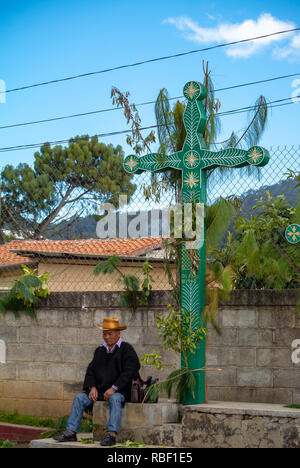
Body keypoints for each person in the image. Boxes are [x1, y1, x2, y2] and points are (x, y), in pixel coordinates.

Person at [54, 317, 140, 446]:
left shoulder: (127, 349)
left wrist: (114, 388)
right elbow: (91, 370)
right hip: (100, 390)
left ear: (118, 334)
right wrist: (92, 387)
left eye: (110, 334)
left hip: (120, 390)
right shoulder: (99, 350)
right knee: (79, 398)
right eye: (104, 334)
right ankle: (71, 432)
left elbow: (131, 370)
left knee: (115, 399)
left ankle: (111, 435)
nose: (106, 337)